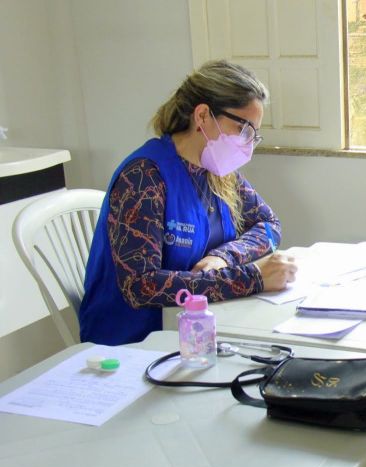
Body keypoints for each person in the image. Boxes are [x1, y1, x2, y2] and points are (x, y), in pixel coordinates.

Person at [79, 60, 297, 346]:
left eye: (254, 135)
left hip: (196, 329)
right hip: (134, 342)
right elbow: (141, 286)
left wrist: (225, 257)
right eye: (243, 129)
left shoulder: (218, 172)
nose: (248, 143)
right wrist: (251, 278)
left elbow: (269, 226)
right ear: (203, 115)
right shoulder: (144, 177)